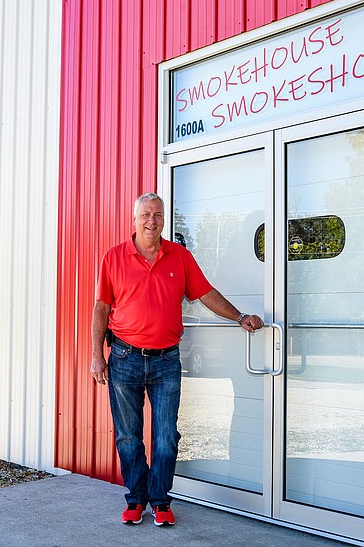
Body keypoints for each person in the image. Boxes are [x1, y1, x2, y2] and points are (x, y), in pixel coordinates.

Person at [90, 192, 264, 527]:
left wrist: (239, 316)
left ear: (164, 219)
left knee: (167, 435)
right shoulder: (114, 258)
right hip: (124, 358)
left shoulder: (179, 256)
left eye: (157, 214)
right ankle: (136, 499)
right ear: (134, 219)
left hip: (166, 361)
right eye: (145, 214)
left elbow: (206, 293)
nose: (151, 220)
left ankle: (160, 500)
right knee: (128, 435)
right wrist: (97, 355)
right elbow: (102, 308)